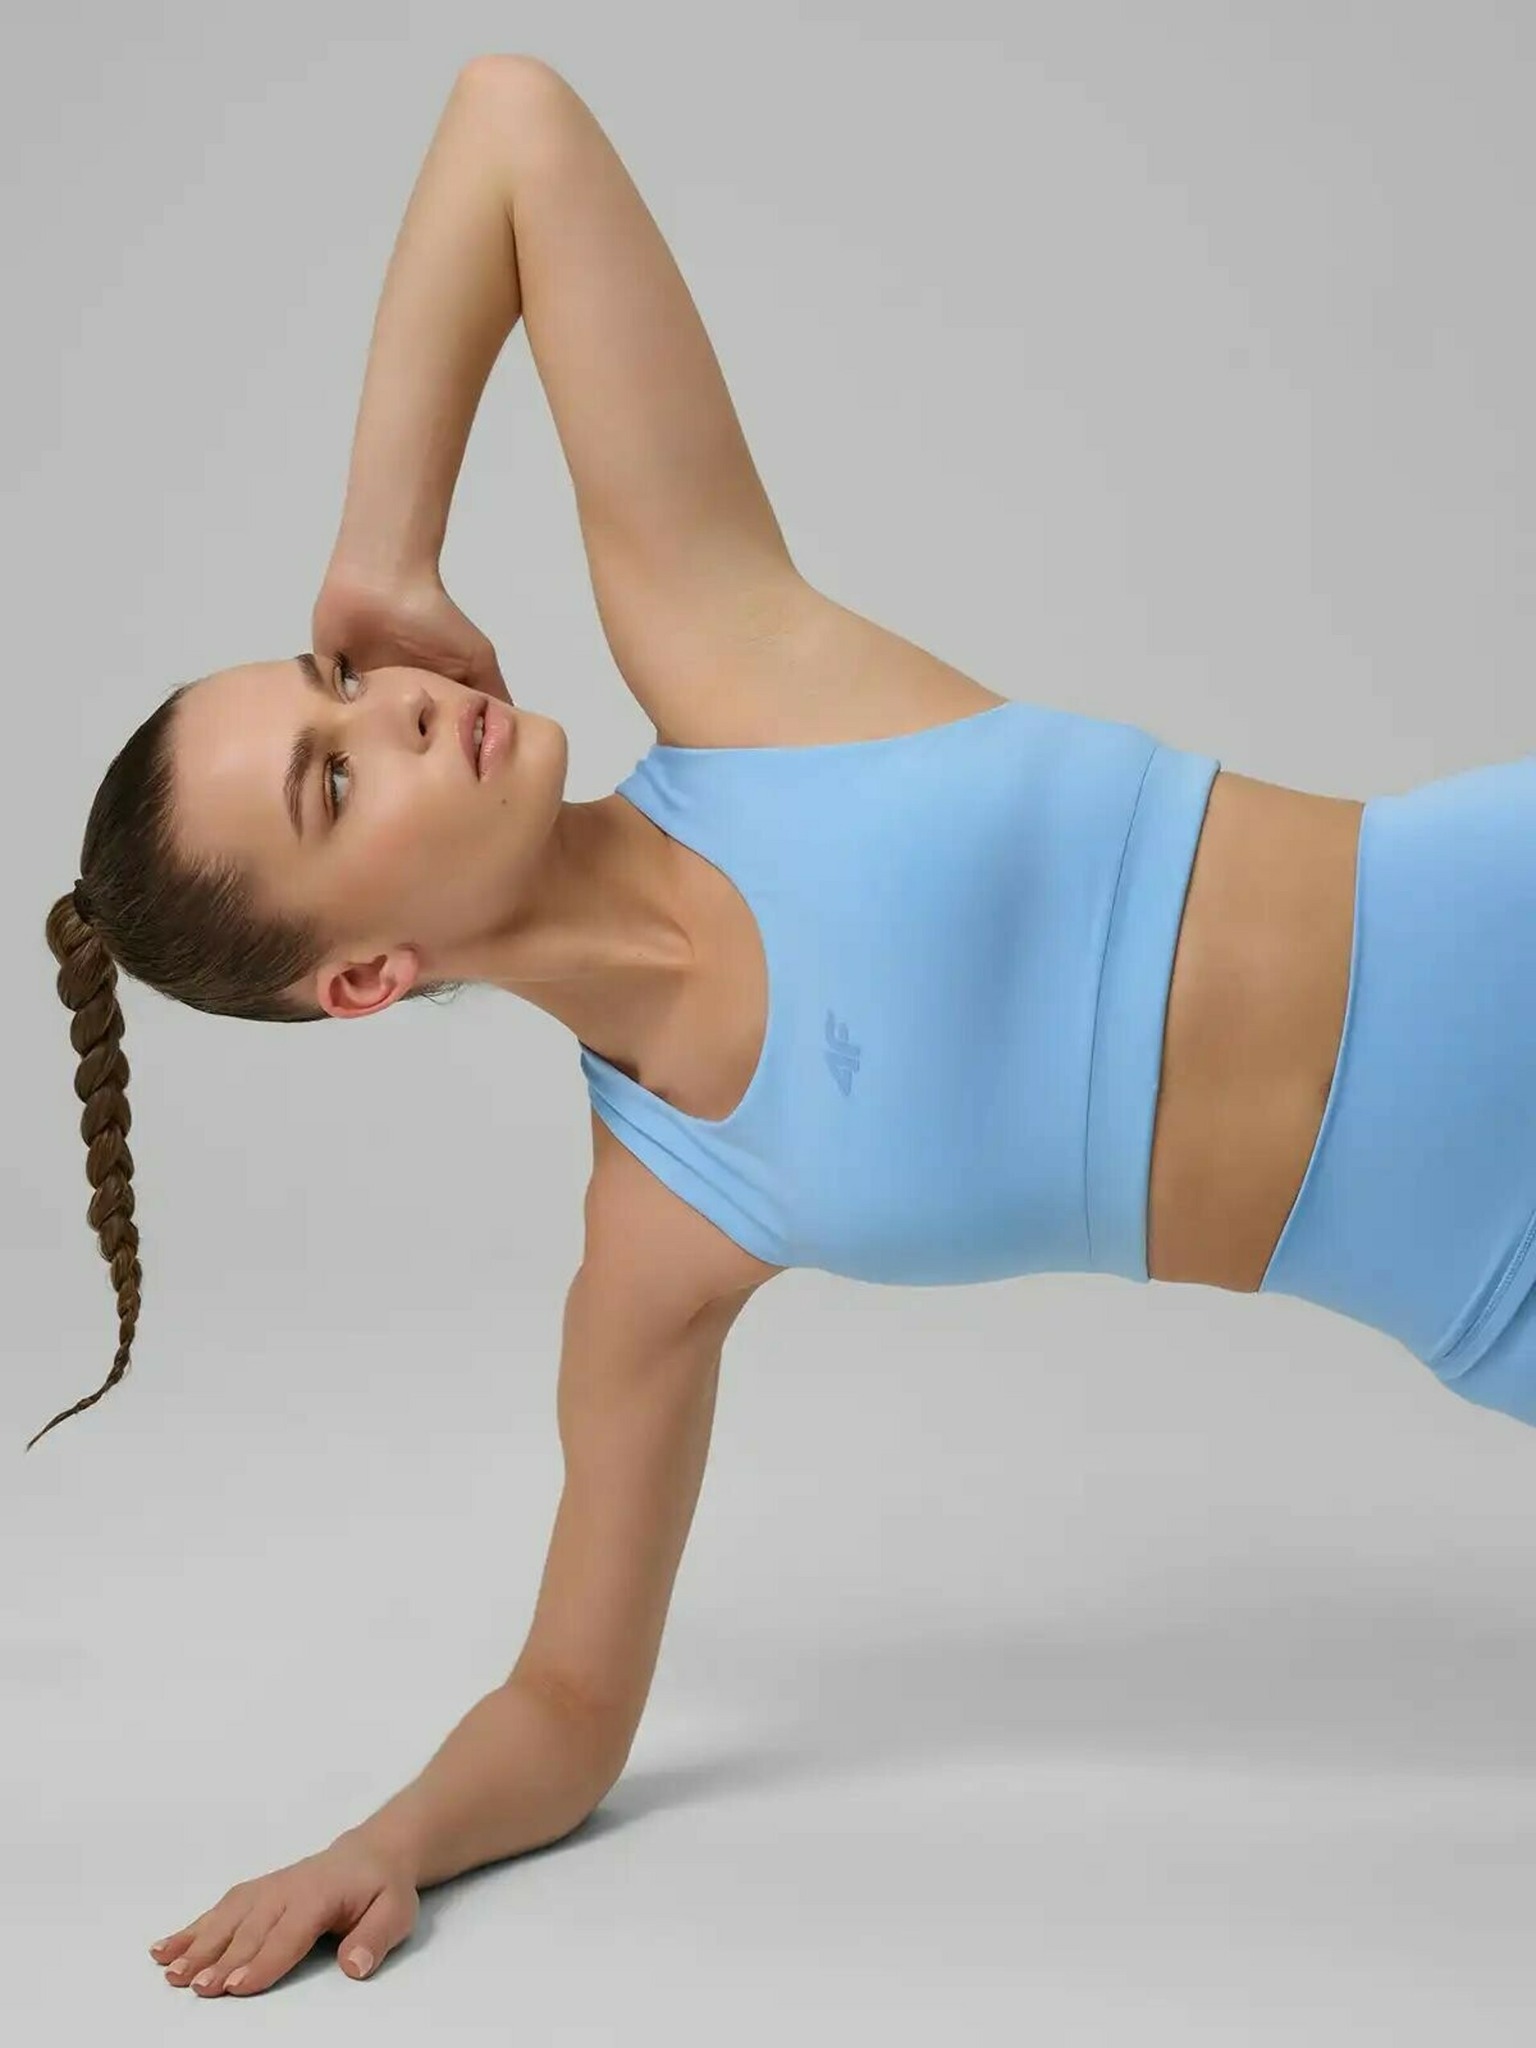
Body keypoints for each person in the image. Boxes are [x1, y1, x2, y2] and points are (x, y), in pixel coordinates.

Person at [41, 56, 1536, 2000]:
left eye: (337, 680)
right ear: (366, 978)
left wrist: (384, 545)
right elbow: (572, 1703)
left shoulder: (730, 658)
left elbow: (512, 121)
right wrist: (382, 1841)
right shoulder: (663, 1233)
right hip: (1496, 1295)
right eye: (335, 779)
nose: (394, 702)